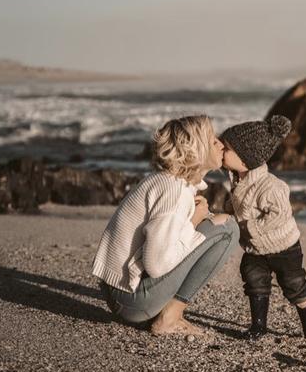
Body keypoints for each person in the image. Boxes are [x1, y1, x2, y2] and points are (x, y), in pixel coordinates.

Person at [92, 115, 239, 336]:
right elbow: (157, 265)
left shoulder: (172, 182)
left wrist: (197, 221)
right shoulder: (174, 190)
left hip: (124, 291)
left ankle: (165, 313)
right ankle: (169, 318)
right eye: (212, 140)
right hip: (131, 299)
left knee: (214, 224)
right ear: (195, 149)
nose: (220, 143)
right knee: (227, 229)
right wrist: (195, 222)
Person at [220, 115, 306, 345]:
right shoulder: (238, 179)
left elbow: (279, 215)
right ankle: (259, 325)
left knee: (294, 285)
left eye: (227, 149)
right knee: (253, 279)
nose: (221, 151)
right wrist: (227, 211)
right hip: (255, 248)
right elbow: (238, 204)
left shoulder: (271, 186)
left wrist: (246, 226)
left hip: (284, 247)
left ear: (246, 157)